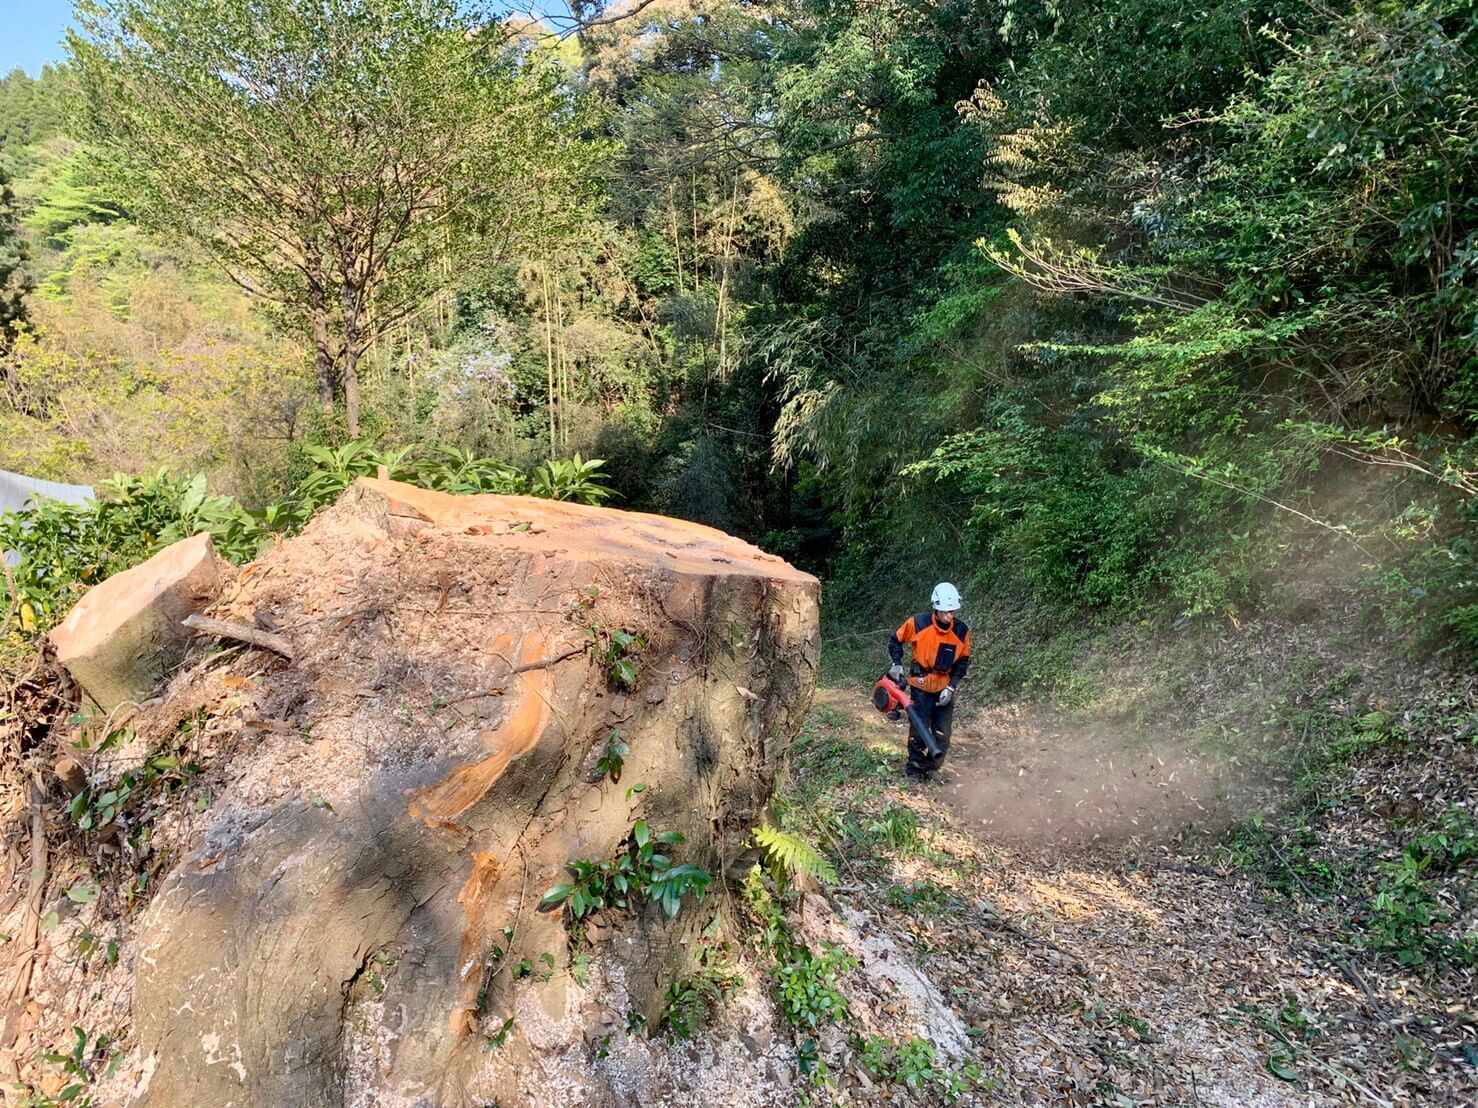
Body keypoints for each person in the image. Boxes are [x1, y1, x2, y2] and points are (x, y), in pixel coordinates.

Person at [888, 582, 970, 780]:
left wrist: (951, 686)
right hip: (921, 684)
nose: (949, 615)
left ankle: (931, 767)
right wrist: (896, 663)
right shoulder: (918, 623)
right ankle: (915, 769)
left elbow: (963, 661)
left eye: (952, 611)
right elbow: (895, 640)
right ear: (936, 608)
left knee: (943, 734)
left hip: (944, 686)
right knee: (919, 729)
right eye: (945, 611)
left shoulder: (961, 631)